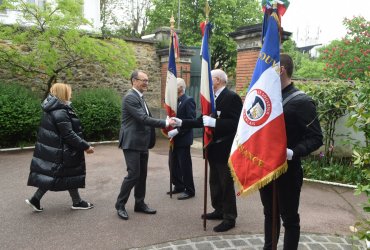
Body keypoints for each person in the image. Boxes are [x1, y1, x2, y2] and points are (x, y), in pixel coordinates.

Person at [259, 54, 323, 249]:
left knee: (289, 219)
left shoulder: (302, 101)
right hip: (266, 168)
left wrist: (292, 152)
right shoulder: (267, 98)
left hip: (288, 170)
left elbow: (316, 138)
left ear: (282, 69)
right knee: (270, 214)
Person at [172, 69, 243, 232]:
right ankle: (218, 210)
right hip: (212, 147)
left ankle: (229, 217)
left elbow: (236, 123)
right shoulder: (211, 99)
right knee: (214, 182)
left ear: (217, 80)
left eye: (210, 79)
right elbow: (201, 121)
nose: (207, 82)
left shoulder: (231, 97)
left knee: (226, 184)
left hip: (224, 147)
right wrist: (181, 122)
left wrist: (215, 123)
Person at [115, 70, 176, 220]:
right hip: (132, 142)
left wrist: (165, 121)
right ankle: (120, 205)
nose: (146, 83)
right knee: (133, 174)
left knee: (142, 175)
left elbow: (147, 117)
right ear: (134, 81)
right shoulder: (130, 97)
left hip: (142, 143)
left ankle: (139, 203)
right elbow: (142, 118)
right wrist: (165, 123)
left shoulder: (140, 97)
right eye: (144, 80)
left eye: (147, 80)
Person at [26, 83, 95, 212]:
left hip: (57, 150)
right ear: (63, 93)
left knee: (62, 174)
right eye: (69, 91)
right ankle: (77, 202)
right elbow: (69, 134)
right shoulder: (60, 111)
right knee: (63, 173)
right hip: (62, 150)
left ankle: (36, 200)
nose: (71, 93)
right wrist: (86, 146)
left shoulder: (53, 109)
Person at [167, 78, 196, 200]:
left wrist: (177, 131)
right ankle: (178, 185)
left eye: (175, 86)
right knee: (172, 164)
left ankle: (189, 190)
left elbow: (190, 121)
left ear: (180, 88)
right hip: (174, 139)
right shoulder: (175, 101)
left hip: (183, 139)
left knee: (185, 166)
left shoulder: (188, 100)